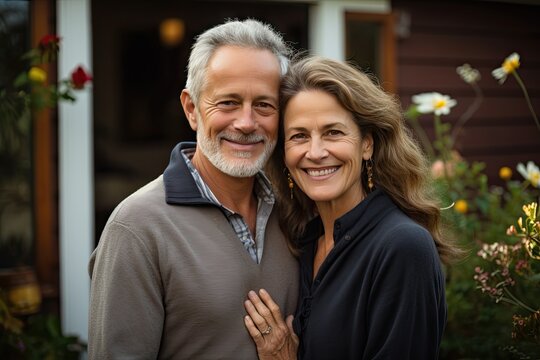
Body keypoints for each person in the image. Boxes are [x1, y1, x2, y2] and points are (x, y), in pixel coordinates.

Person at [88, 19, 299, 359]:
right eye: (228, 103)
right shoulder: (137, 227)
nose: (246, 123)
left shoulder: (295, 212)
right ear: (191, 109)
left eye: (264, 104)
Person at [243, 56, 460, 359]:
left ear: (367, 144)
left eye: (333, 132)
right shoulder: (302, 241)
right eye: (299, 136)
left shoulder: (402, 247)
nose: (315, 152)